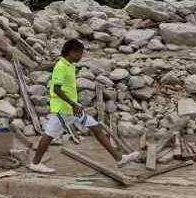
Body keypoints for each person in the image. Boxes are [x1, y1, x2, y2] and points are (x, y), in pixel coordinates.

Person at [28, 39, 139, 174]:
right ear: (71, 52)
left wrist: (75, 104)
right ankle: (35, 163)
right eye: (80, 53)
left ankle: (119, 158)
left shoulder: (70, 65)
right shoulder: (60, 66)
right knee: (49, 134)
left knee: (96, 128)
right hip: (63, 109)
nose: (81, 56)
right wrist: (73, 103)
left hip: (73, 109)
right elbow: (56, 89)